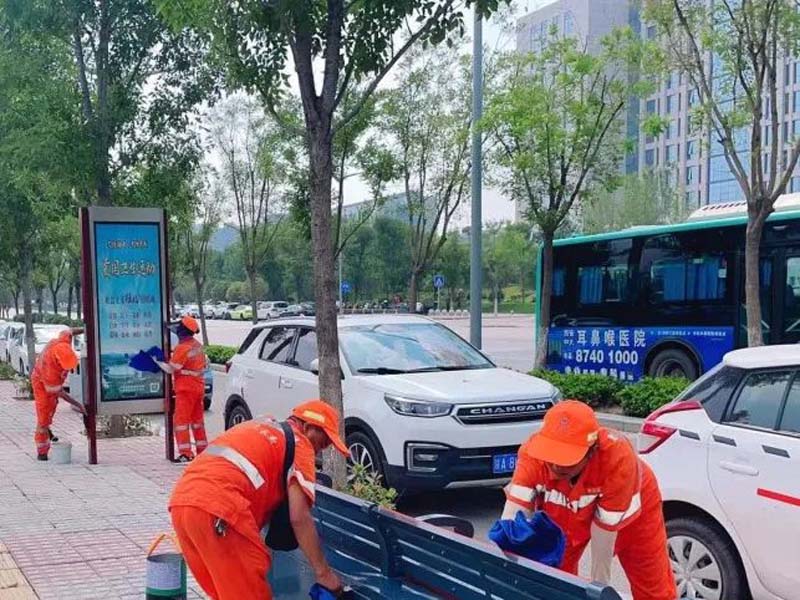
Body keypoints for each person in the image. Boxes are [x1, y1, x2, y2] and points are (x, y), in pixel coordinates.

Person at [169, 399, 347, 599]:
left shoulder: (262, 426)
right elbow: (300, 517)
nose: (319, 450)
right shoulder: (301, 443)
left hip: (182, 504)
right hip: (220, 510)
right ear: (307, 428)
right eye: (322, 443)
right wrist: (324, 573)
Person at [502, 401, 675, 600]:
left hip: (632, 506)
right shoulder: (532, 455)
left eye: (566, 459)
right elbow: (513, 517)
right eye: (552, 455)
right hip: (565, 505)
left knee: (652, 582)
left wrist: (598, 590)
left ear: (591, 451)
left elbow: (603, 543)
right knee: (556, 576)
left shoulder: (617, 459)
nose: (557, 465)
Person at [154, 316, 208, 463]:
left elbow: (172, 369)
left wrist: (157, 362)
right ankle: (202, 451)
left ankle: (186, 453)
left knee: (181, 422)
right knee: (197, 422)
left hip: (186, 389)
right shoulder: (197, 345)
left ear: (182, 331)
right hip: (198, 387)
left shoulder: (182, 348)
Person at [31, 329, 79, 461]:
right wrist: (79, 406)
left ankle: (48, 431)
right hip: (41, 385)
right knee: (43, 418)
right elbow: (60, 393)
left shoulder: (61, 342)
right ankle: (42, 451)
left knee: (51, 410)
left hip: (50, 385)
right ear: (58, 360)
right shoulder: (50, 371)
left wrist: (86, 329)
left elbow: (69, 331)